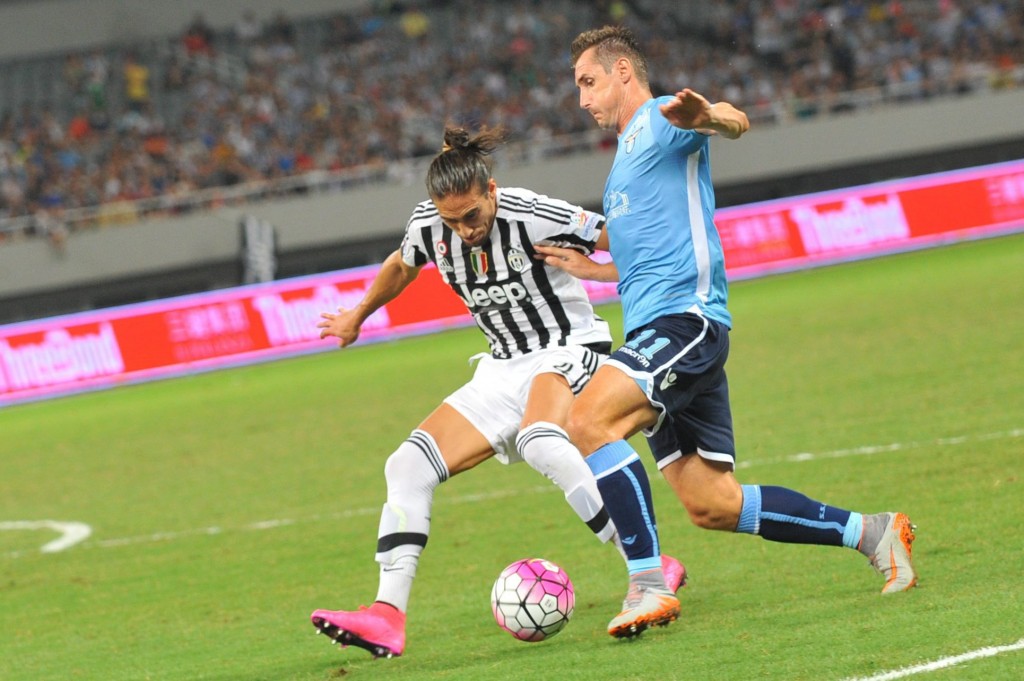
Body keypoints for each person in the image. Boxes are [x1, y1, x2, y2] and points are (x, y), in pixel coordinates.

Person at [534, 25, 919, 637]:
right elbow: (647, 249)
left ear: (623, 72)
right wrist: (595, 268)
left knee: (587, 421)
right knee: (713, 504)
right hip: (664, 330)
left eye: (588, 82)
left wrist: (710, 113)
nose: (582, 99)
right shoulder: (624, 163)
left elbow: (731, 122)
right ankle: (872, 533)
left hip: (684, 323)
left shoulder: (663, 118)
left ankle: (647, 584)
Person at [309, 126, 686, 659]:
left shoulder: (534, 213)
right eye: (451, 221)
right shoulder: (429, 228)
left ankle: (647, 564)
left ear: (491, 190)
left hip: (571, 348)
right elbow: (401, 264)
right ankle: (386, 615)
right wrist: (356, 315)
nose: (463, 231)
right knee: (406, 466)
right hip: (502, 368)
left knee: (540, 439)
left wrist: (600, 271)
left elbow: (624, 239)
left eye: (471, 216)